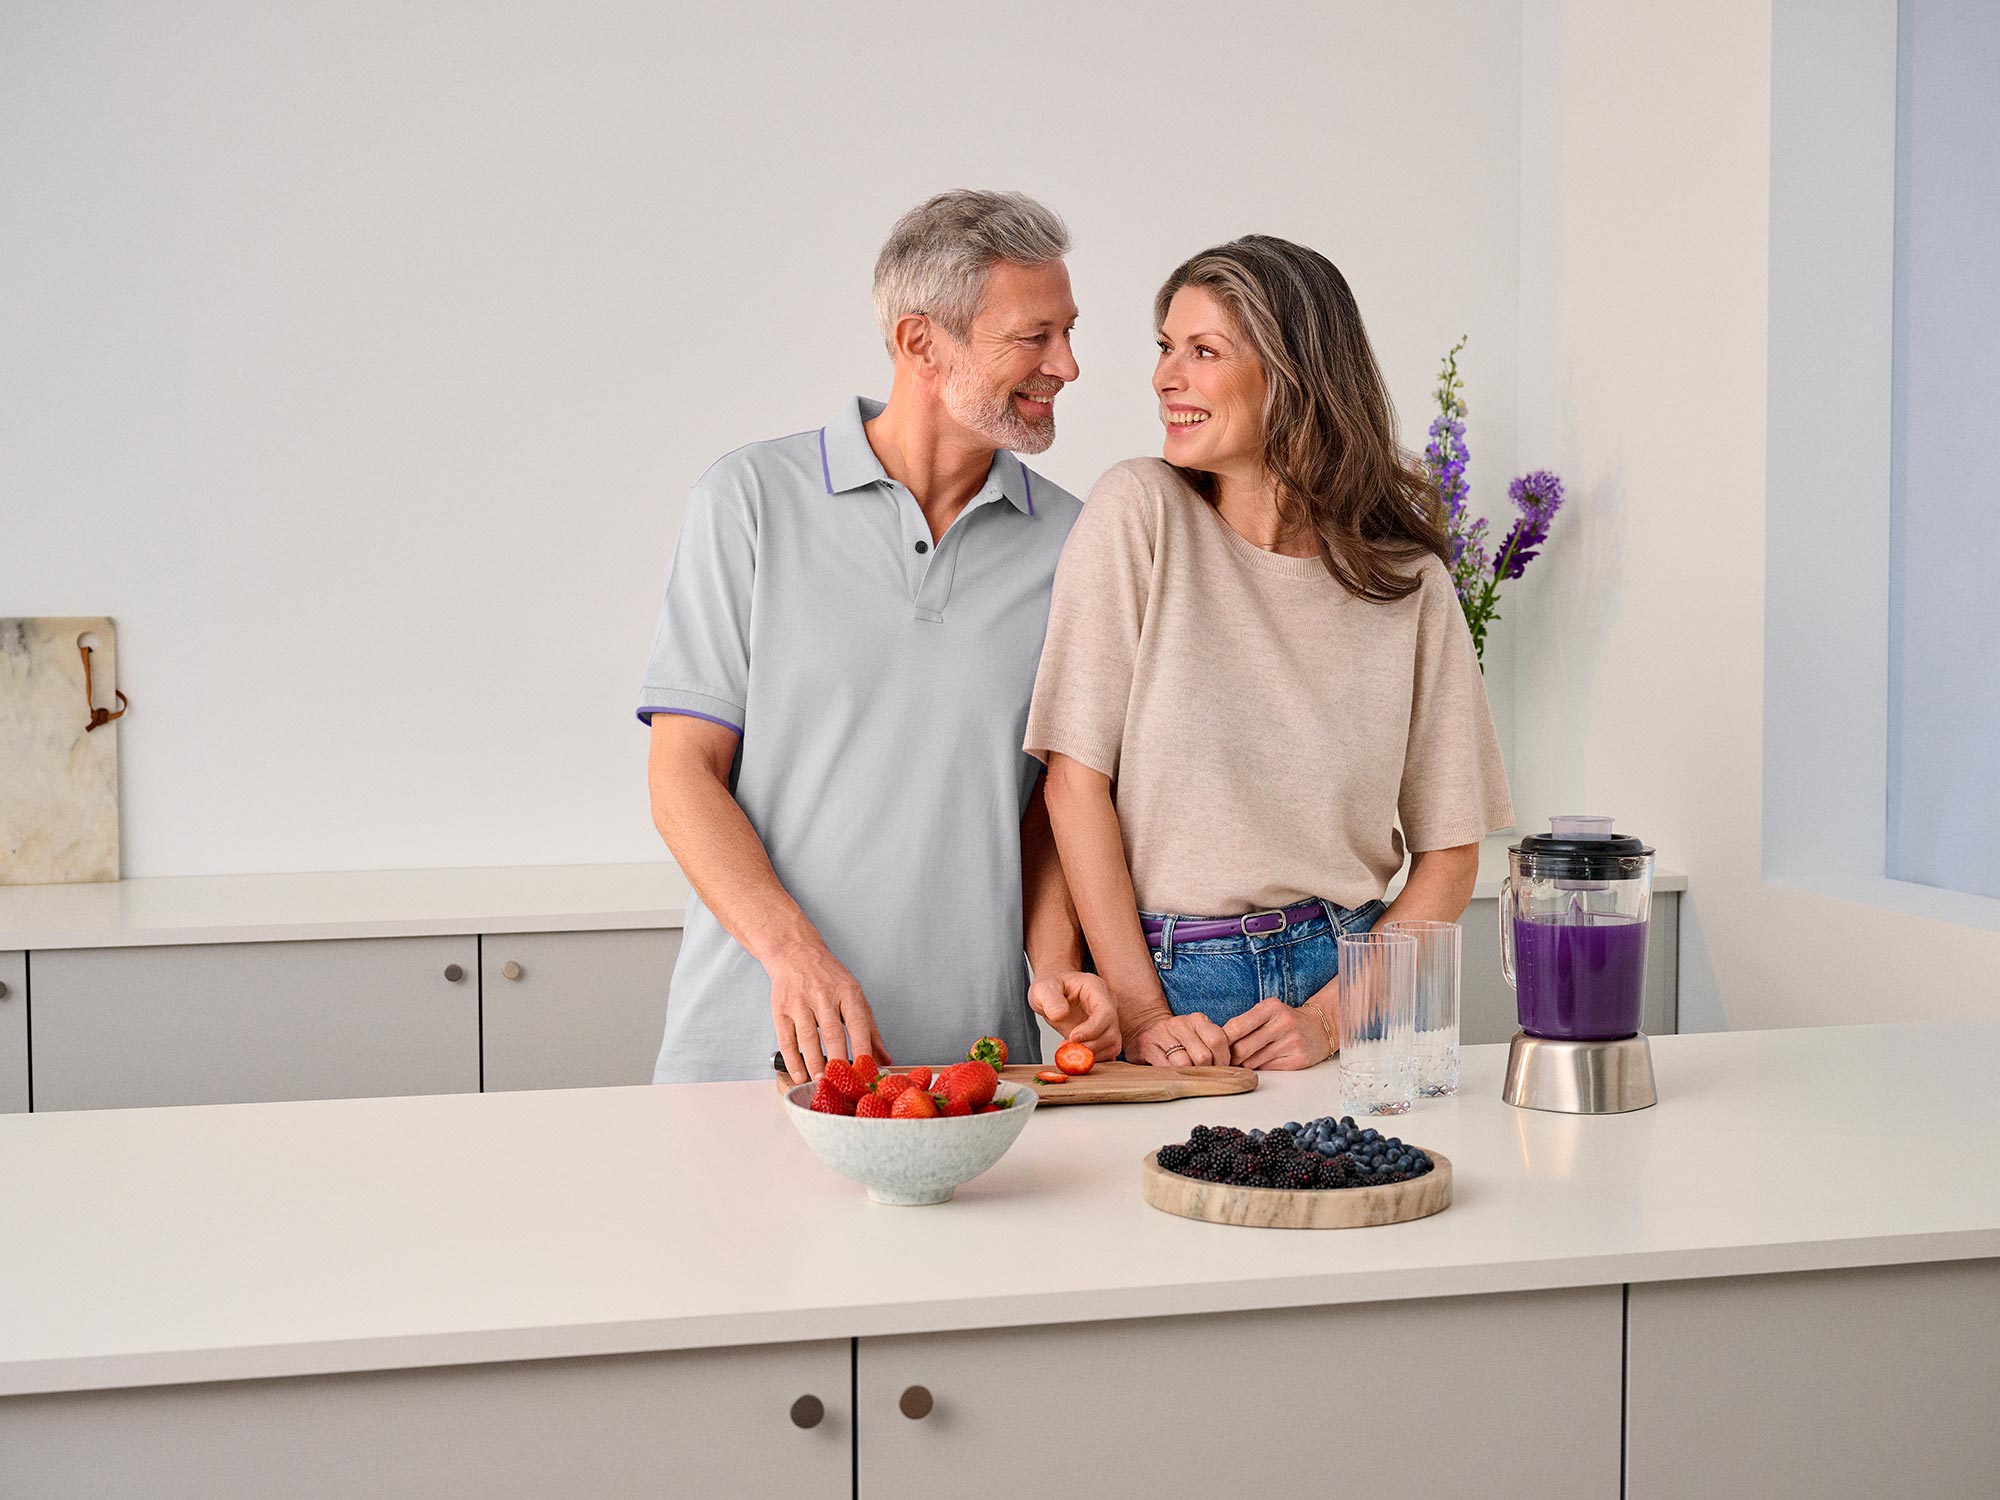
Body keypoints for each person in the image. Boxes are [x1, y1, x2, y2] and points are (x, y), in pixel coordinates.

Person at [639, 190, 1119, 1084]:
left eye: (1070, 331)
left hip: (971, 1066)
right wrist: (796, 955)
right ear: (920, 343)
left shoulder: (1076, 544)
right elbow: (681, 777)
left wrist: (1054, 967)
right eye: (1034, 336)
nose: (1069, 365)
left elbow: (1051, 802)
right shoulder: (749, 502)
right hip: (750, 1052)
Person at [1024, 235, 1511, 1071]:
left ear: (1294, 378)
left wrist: (1331, 1019)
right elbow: (1074, 785)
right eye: (1165, 348)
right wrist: (1140, 1011)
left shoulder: (1409, 582)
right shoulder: (1140, 513)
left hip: (1356, 980)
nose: (1164, 377)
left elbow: (1450, 858)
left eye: (1203, 351)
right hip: (1173, 988)